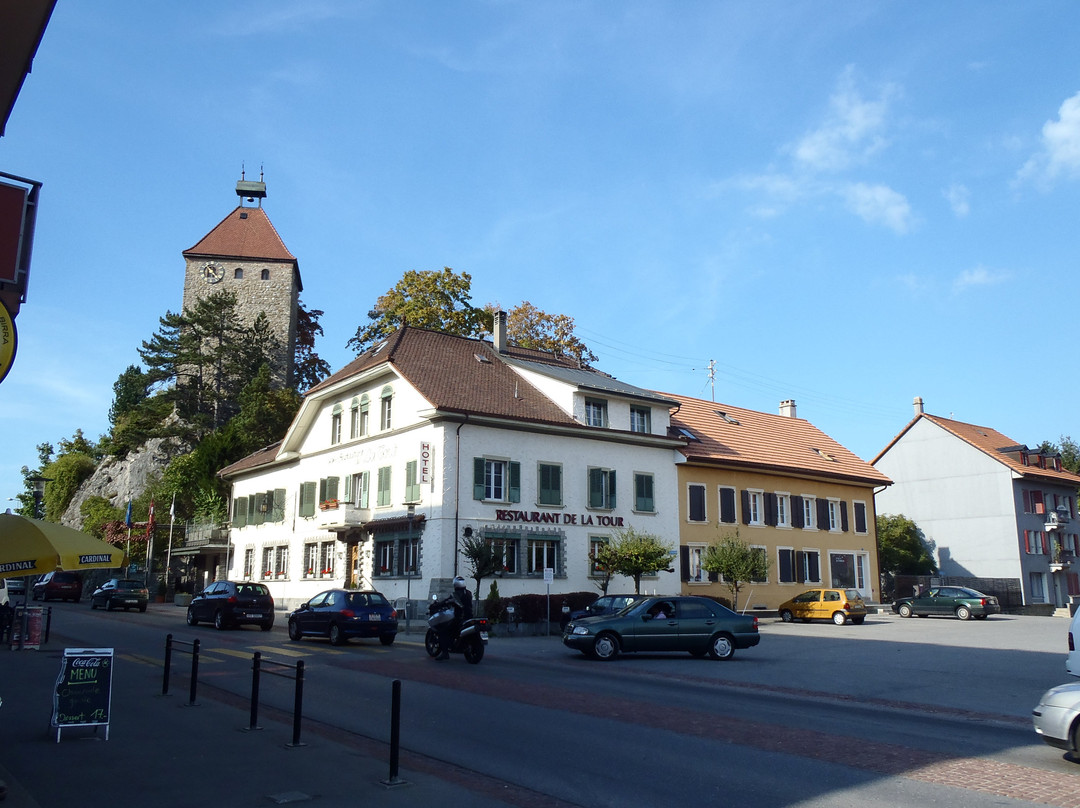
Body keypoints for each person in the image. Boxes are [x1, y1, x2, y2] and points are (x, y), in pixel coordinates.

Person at [436, 577, 473, 660]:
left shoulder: (456, 594)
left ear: (455, 585)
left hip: (459, 618)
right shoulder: (468, 593)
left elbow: (447, 601)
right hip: (469, 617)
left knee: (443, 630)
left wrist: (438, 604)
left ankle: (445, 653)